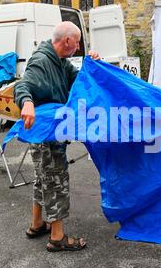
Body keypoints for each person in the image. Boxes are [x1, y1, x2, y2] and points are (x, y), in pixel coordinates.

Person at [14, 21, 100, 252]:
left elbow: (79, 79)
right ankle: (57, 236)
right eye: (78, 41)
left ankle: (37, 224)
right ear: (67, 41)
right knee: (56, 180)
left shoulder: (60, 61)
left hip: (49, 131)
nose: (79, 45)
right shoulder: (42, 61)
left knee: (42, 178)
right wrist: (28, 102)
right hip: (45, 132)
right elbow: (23, 85)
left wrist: (92, 64)